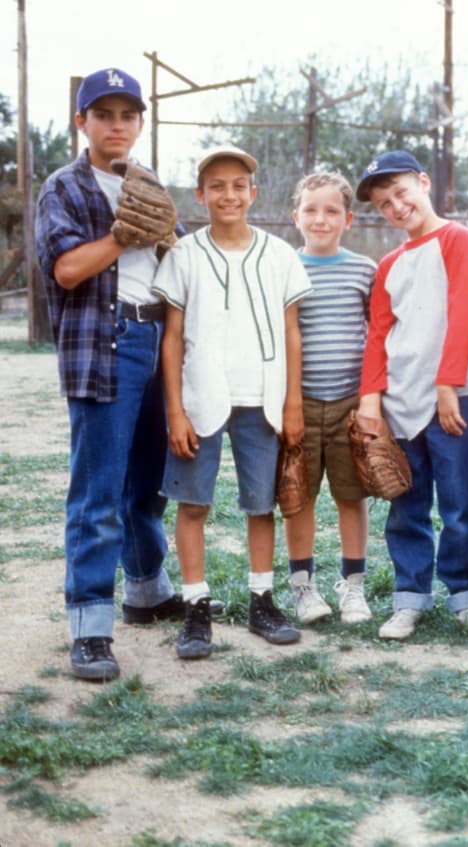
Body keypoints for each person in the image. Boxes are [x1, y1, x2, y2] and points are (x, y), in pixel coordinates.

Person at [35, 67, 188, 680]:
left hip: (156, 334)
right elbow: (68, 270)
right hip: (107, 339)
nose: (117, 125)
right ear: (83, 122)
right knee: (97, 491)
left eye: (128, 115)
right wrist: (124, 233)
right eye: (104, 114)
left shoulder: (147, 181)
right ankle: (89, 624)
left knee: (146, 483)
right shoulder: (64, 186)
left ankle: (146, 590)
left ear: (141, 123)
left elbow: (170, 255)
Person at [152, 146, 310, 659]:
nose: (228, 194)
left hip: (261, 396)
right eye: (216, 186)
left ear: (253, 193)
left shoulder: (279, 254)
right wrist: (174, 410)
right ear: (200, 194)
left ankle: (261, 599)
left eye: (238, 185)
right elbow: (172, 339)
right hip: (201, 397)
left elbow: (291, 334)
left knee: (260, 503)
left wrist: (292, 404)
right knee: (193, 502)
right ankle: (196, 606)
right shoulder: (185, 255)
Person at [355, 151, 468, 641]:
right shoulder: (389, 264)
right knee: (406, 504)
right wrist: (371, 399)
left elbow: (462, 316)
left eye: (401, 192)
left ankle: (467, 594)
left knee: (459, 502)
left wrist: (448, 384)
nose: (396, 205)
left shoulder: (457, 240)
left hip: (450, 400)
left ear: (424, 183)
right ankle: (410, 596)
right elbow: (378, 335)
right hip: (399, 403)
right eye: (383, 202)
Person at [283, 172, 377, 625]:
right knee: (298, 496)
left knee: (350, 494)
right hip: (297, 402)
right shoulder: (282, 267)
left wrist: (368, 399)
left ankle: (353, 586)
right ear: (295, 216)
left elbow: (376, 337)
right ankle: (303, 587)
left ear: (348, 218)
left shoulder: (364, 270)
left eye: (332, 210)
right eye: (311, 210)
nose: (321, 219)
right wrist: (287, 402)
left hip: (349, 403)